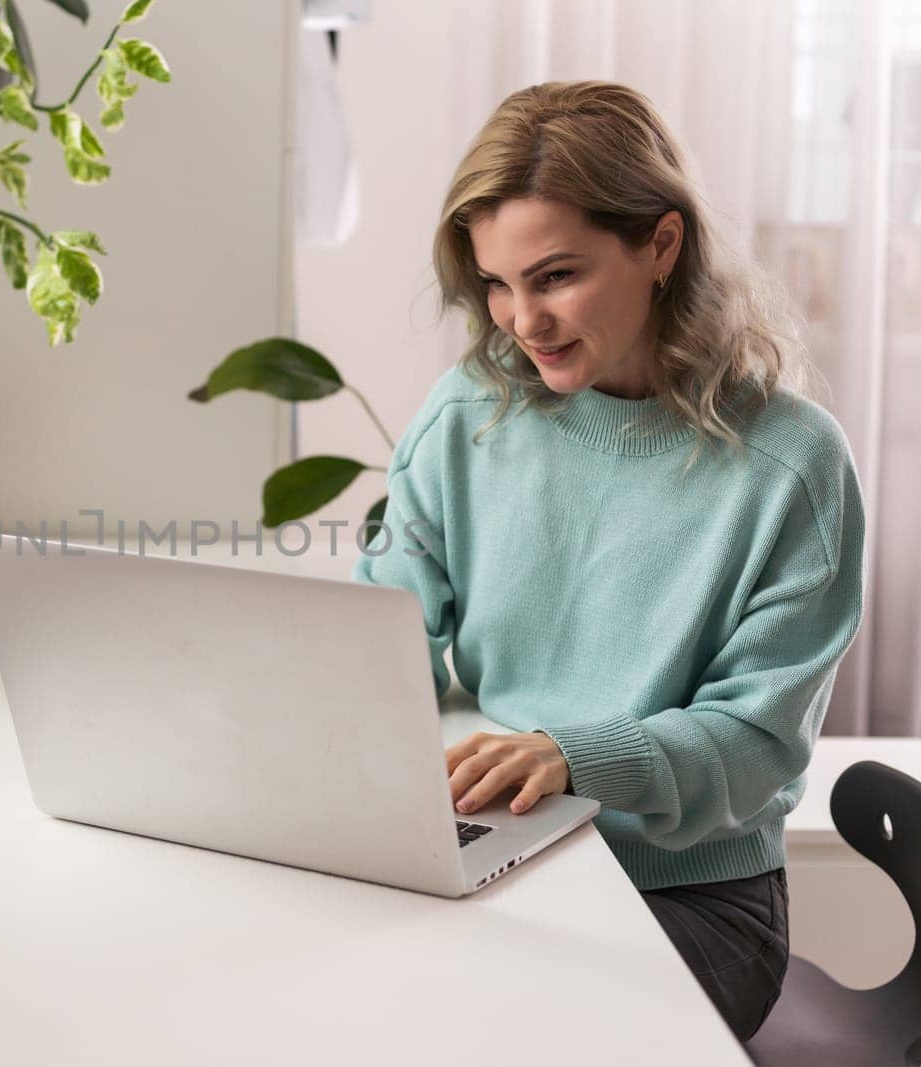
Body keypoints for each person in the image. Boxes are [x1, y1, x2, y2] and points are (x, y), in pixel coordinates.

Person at [351, 81, 866, 1042]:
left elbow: (755, 749)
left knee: (483, 1030)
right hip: (504, 853)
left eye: (554, 277)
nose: (519, 321)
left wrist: (574, 755)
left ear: (660, 245)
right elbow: (388, 632)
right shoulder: (469, 414)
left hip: (692, 895)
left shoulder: (792, 467)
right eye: (497, 284)